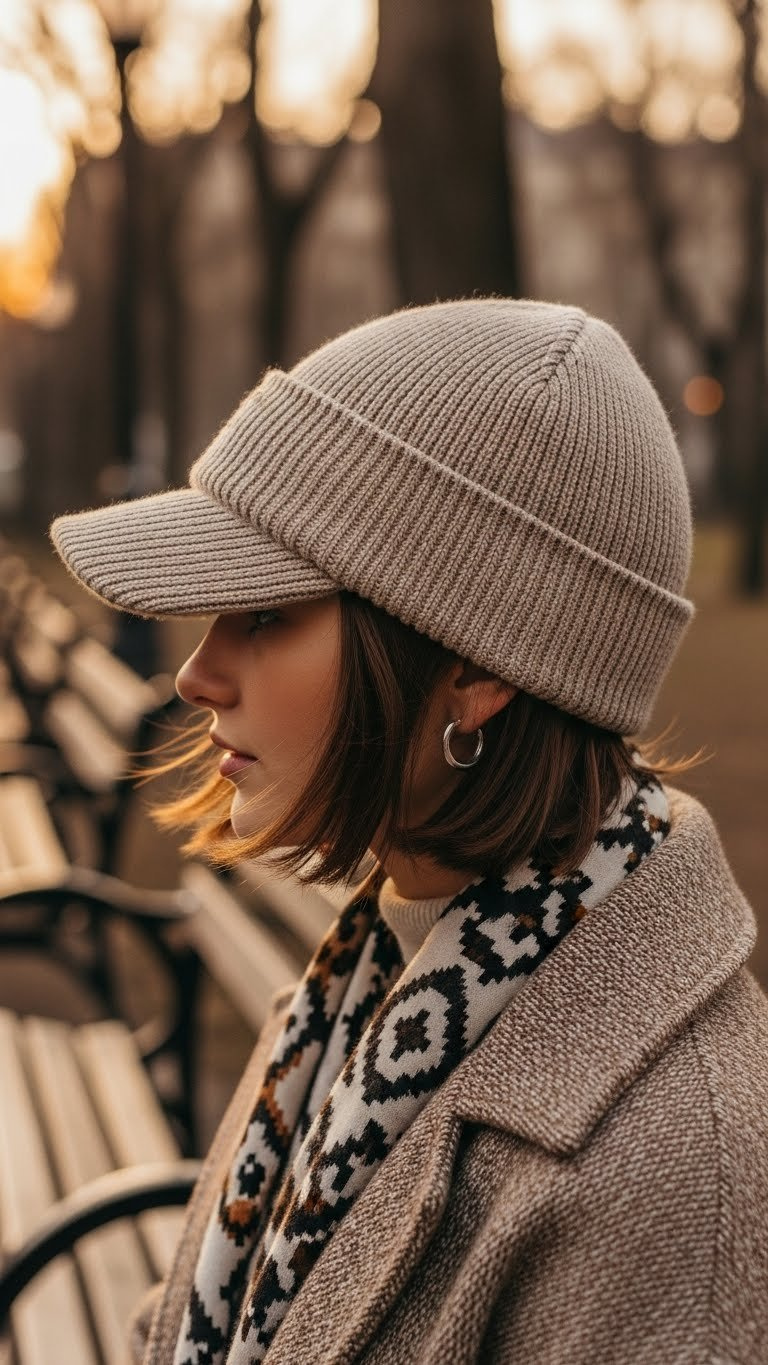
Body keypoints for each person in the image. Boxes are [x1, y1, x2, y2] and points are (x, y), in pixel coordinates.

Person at [50, 299, 768, 1365]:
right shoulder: (381, 971)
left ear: (473, 673)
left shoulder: (675, 1188)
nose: (198, 674)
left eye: (265, 611)